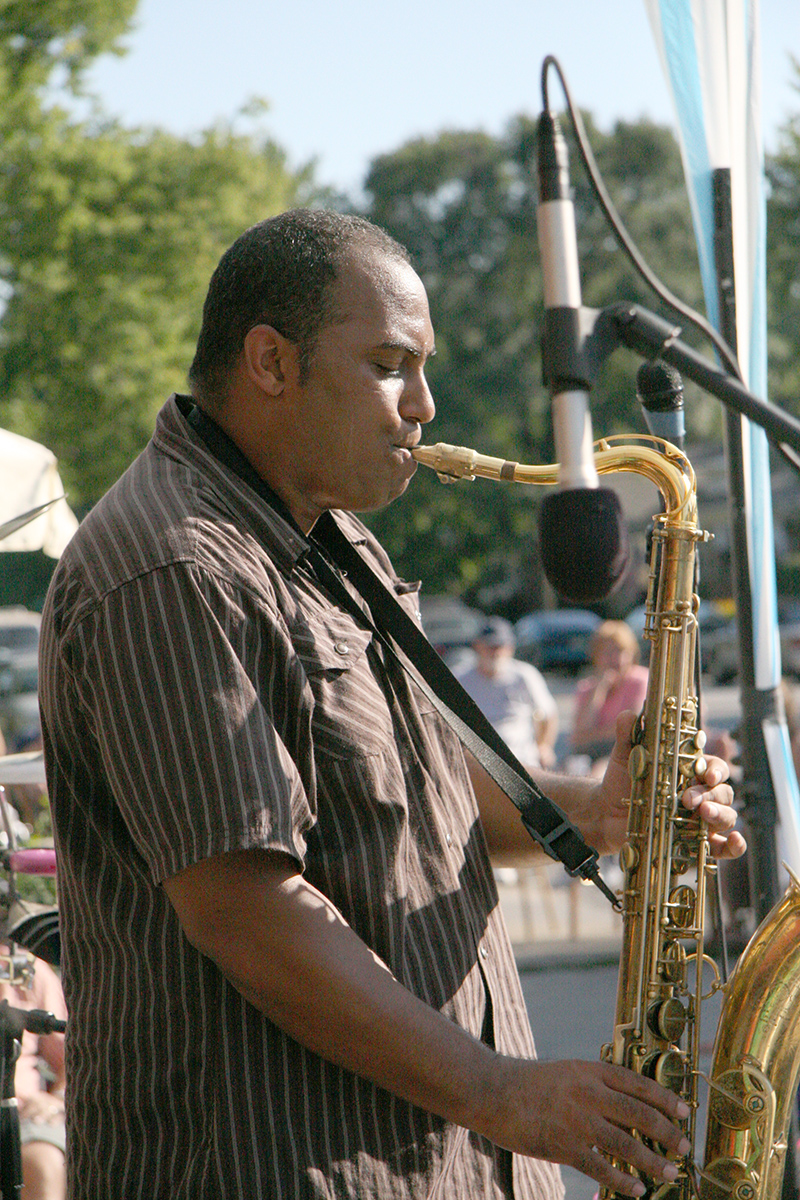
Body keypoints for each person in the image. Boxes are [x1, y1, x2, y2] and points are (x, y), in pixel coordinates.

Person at [38, 209, 744, 1200]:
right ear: (270, 362)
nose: (421, 403)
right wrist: (499, 1092)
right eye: (387, 363)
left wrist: (594, 808)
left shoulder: (327, 530)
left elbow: (405, 780)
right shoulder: (171, 566)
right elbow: (243, 907)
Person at [0, 948, 66, 1200]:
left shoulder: (22, 966)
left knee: (43, 1164)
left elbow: (72, 1057)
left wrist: (56, 1098)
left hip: (18, 1116)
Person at [456, 617, 559, 770]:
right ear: (477, 646)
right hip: (475, 761)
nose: (495, 652)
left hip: (521, 758)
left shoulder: (525, 675)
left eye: (500, 646)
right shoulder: (460, 679)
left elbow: (548, 713)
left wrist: (544, 746)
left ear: (510, 648)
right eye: (490, 646)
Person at [571, 620, 650, 771]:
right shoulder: (587, 687)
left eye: (620, 651)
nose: (615, 659)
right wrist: (599, 689)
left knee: (599, 771)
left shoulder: (639, 681)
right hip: (589, 754)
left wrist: (591, 735)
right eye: (608, 652)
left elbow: (629, 731)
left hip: (626, 754)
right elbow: (577, 737)